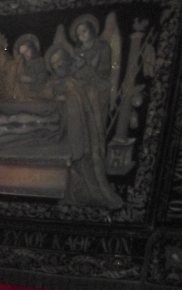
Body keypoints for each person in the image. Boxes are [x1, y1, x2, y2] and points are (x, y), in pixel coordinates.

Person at [43, 45, 122, 209]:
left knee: (86, 160)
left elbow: (96, 90)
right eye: (54, 63)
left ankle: (93, 195)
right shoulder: (55, 81)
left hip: (85, 128)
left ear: (67, 59)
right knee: (71, 162)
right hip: (66, 130)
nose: (58, 66)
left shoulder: (81, 74)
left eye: (60, 61)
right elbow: (46, 93)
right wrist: (58, 97)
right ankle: (72, 196)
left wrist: (71, 95)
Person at [13, 34, 48, 99]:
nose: (25, 55)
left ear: (32, 49)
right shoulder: (22, 65)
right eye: (22, 54)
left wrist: (31, 80)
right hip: (24, 96)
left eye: (26, 51)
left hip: (38, 96)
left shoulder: (40, 63)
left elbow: (43, 80)